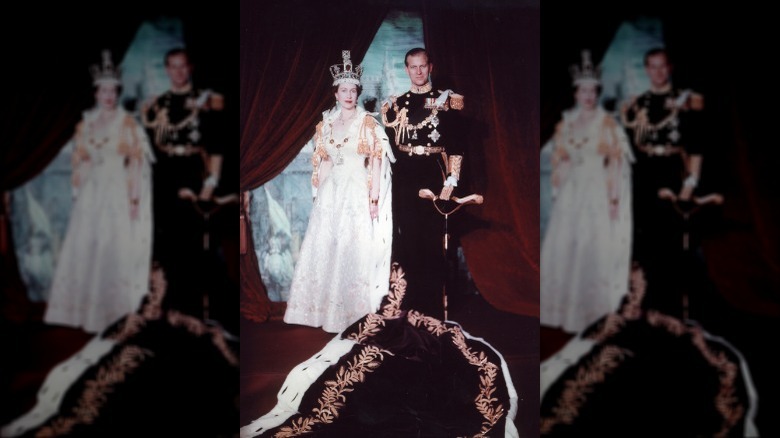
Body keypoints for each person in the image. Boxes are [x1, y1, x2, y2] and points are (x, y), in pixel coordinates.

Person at [282, 50, 394, 334]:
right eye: (344, 89)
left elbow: (377, 161)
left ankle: (352, 312)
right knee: (325, 248)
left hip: (356, 191)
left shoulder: (367, 123)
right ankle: (319, 310)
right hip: (332, 193)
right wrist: (318, 195)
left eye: (353, 90)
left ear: (358, 93)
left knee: (351, 248)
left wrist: (373, 199)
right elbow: (325, 161)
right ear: (335, 93)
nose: (349, 94)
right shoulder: (326, 124)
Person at [43, 50, 154, 333]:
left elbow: (137, 163)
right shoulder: (86, 123)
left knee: (111, 245)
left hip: (116, 191)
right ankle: (81, 311)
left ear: (117, 92)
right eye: (103, 90)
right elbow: (78, 161)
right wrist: (79, 181)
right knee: (88, 245)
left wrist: (134, 199)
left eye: (112, 91)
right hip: (92, 193)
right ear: (96, 92)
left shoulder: (126, 123)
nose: (108, 95)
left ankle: (112, 311)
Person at [540, 50, 634, 333]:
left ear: (597, 93)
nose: (588, 96)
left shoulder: (606, 123)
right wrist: (559, 186)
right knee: (568, 245)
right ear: (576, 93)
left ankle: (595, 311)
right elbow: (560, 158)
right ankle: (567, 308)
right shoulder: (566, 122)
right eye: (583, 91)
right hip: (572, 191)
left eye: (593, 91)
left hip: (597, 190)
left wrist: (614, 198)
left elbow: (617, 162)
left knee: (592, 246)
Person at [380, 47, 466, 320]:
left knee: (432, 240)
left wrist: (452, 180)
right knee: (408, 240)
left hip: (432, 173)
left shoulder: (447, 101)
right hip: (404, 175)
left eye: (422, 66)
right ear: (406, 69)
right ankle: (410, 307)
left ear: (430, 67)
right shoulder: (396, 105)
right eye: (413, 67)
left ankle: (431, 311)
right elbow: (389, 149)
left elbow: (457, 144)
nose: (418, 72)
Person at [142, 47, 226, 320]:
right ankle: (172, 306)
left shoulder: (206, 101)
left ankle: (198, 311)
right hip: (164, 176)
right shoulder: (158, 105)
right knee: (167, 244)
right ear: (167, 70)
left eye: (182, 66)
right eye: (172, 67)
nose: (178, 72)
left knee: (195, 243)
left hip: (193, 173)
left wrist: (209, 186)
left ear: (189, 68)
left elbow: (215, 147)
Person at [619, 47, 704, 315]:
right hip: (643, 176)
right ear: (646, 70)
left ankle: (673, 310)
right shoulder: (637, 104)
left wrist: (690, 184)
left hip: (673, 173)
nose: (658, 72)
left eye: (663, 66)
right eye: (652, 67)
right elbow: (628, 145)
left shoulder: (686, 101)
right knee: (644, 242)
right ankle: (646, 307)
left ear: (670, 68)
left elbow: (697, 147)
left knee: (674, 241)